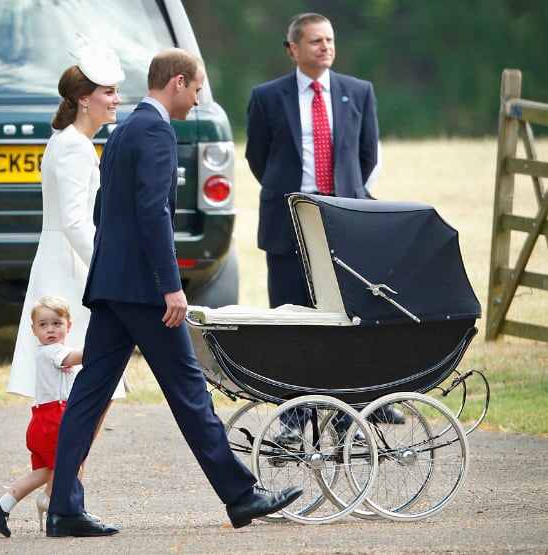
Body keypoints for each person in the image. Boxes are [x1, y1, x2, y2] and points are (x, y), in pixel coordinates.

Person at [45, 48, 303, 538]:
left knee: (88, 394)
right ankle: (241, 495)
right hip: (144, 291)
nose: (199, 101)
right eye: (198, 90)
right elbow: (153, 214)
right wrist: (170, 287)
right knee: (188, 391)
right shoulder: (157, 130)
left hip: (113, 286)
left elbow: (105, 210)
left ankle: (63, 508)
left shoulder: (122, 131)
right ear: (178, 82)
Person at [245, 13, 402, 438]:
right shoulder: (266, 97)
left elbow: (366, 157)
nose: (325, 47)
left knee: (351, 317)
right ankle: (294, 420)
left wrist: (342, 197)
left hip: (343, 222)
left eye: (330, 40)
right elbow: (259, 159)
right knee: (292, 322)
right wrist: (294, 196)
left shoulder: (358, 92)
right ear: (293, 49)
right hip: (289, 223)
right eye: (315, 41)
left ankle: (360, 404)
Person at [6, 36, 129, 493]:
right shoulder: (75, 147)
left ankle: (64, 489)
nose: (117, 100)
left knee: (83, 390)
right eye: (109, 92)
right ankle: (64, 492)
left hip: (59, 263)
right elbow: (78, 223)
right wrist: (108, 271)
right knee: (92, 387)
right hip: (71, 270)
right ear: (84, 100)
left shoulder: (64, 140)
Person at [0, 296, 83, 537]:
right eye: (43, 325)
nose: (50, 329)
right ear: (34, 330)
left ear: (68, 326)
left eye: (57, 323)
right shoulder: (51, 352)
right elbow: (77, 357)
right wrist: (103, 344)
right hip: (52, 420)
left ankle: (2, 505)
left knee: (43, 473)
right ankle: (68, 511)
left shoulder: (53, 351)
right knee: (72, 464)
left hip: (41, 420)